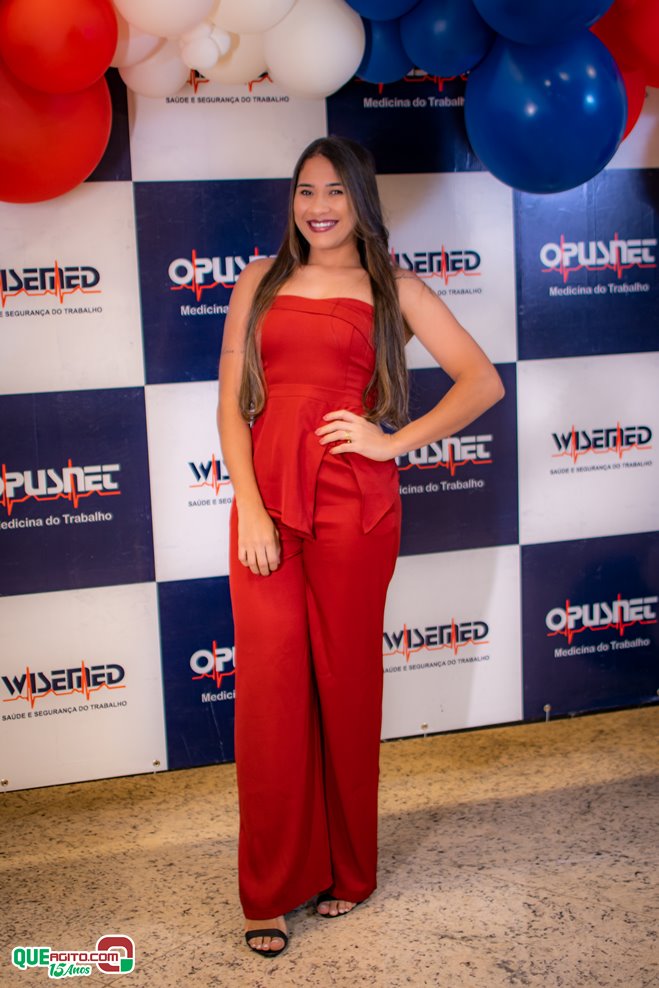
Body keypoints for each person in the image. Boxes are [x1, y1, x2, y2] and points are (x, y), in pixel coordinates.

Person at [217, 135, 504, 958]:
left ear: (360, 200)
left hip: (354, 508)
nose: (319, 206)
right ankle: (270, 890)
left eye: (335, 191)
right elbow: (231, 404)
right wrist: (250, 509)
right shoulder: (257, 280)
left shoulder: (393, 289)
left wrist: (390, 441)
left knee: (344, 688)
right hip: (267, 506)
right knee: (271, 695)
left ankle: (349, 870)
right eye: (306, 191)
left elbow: (481, 381)